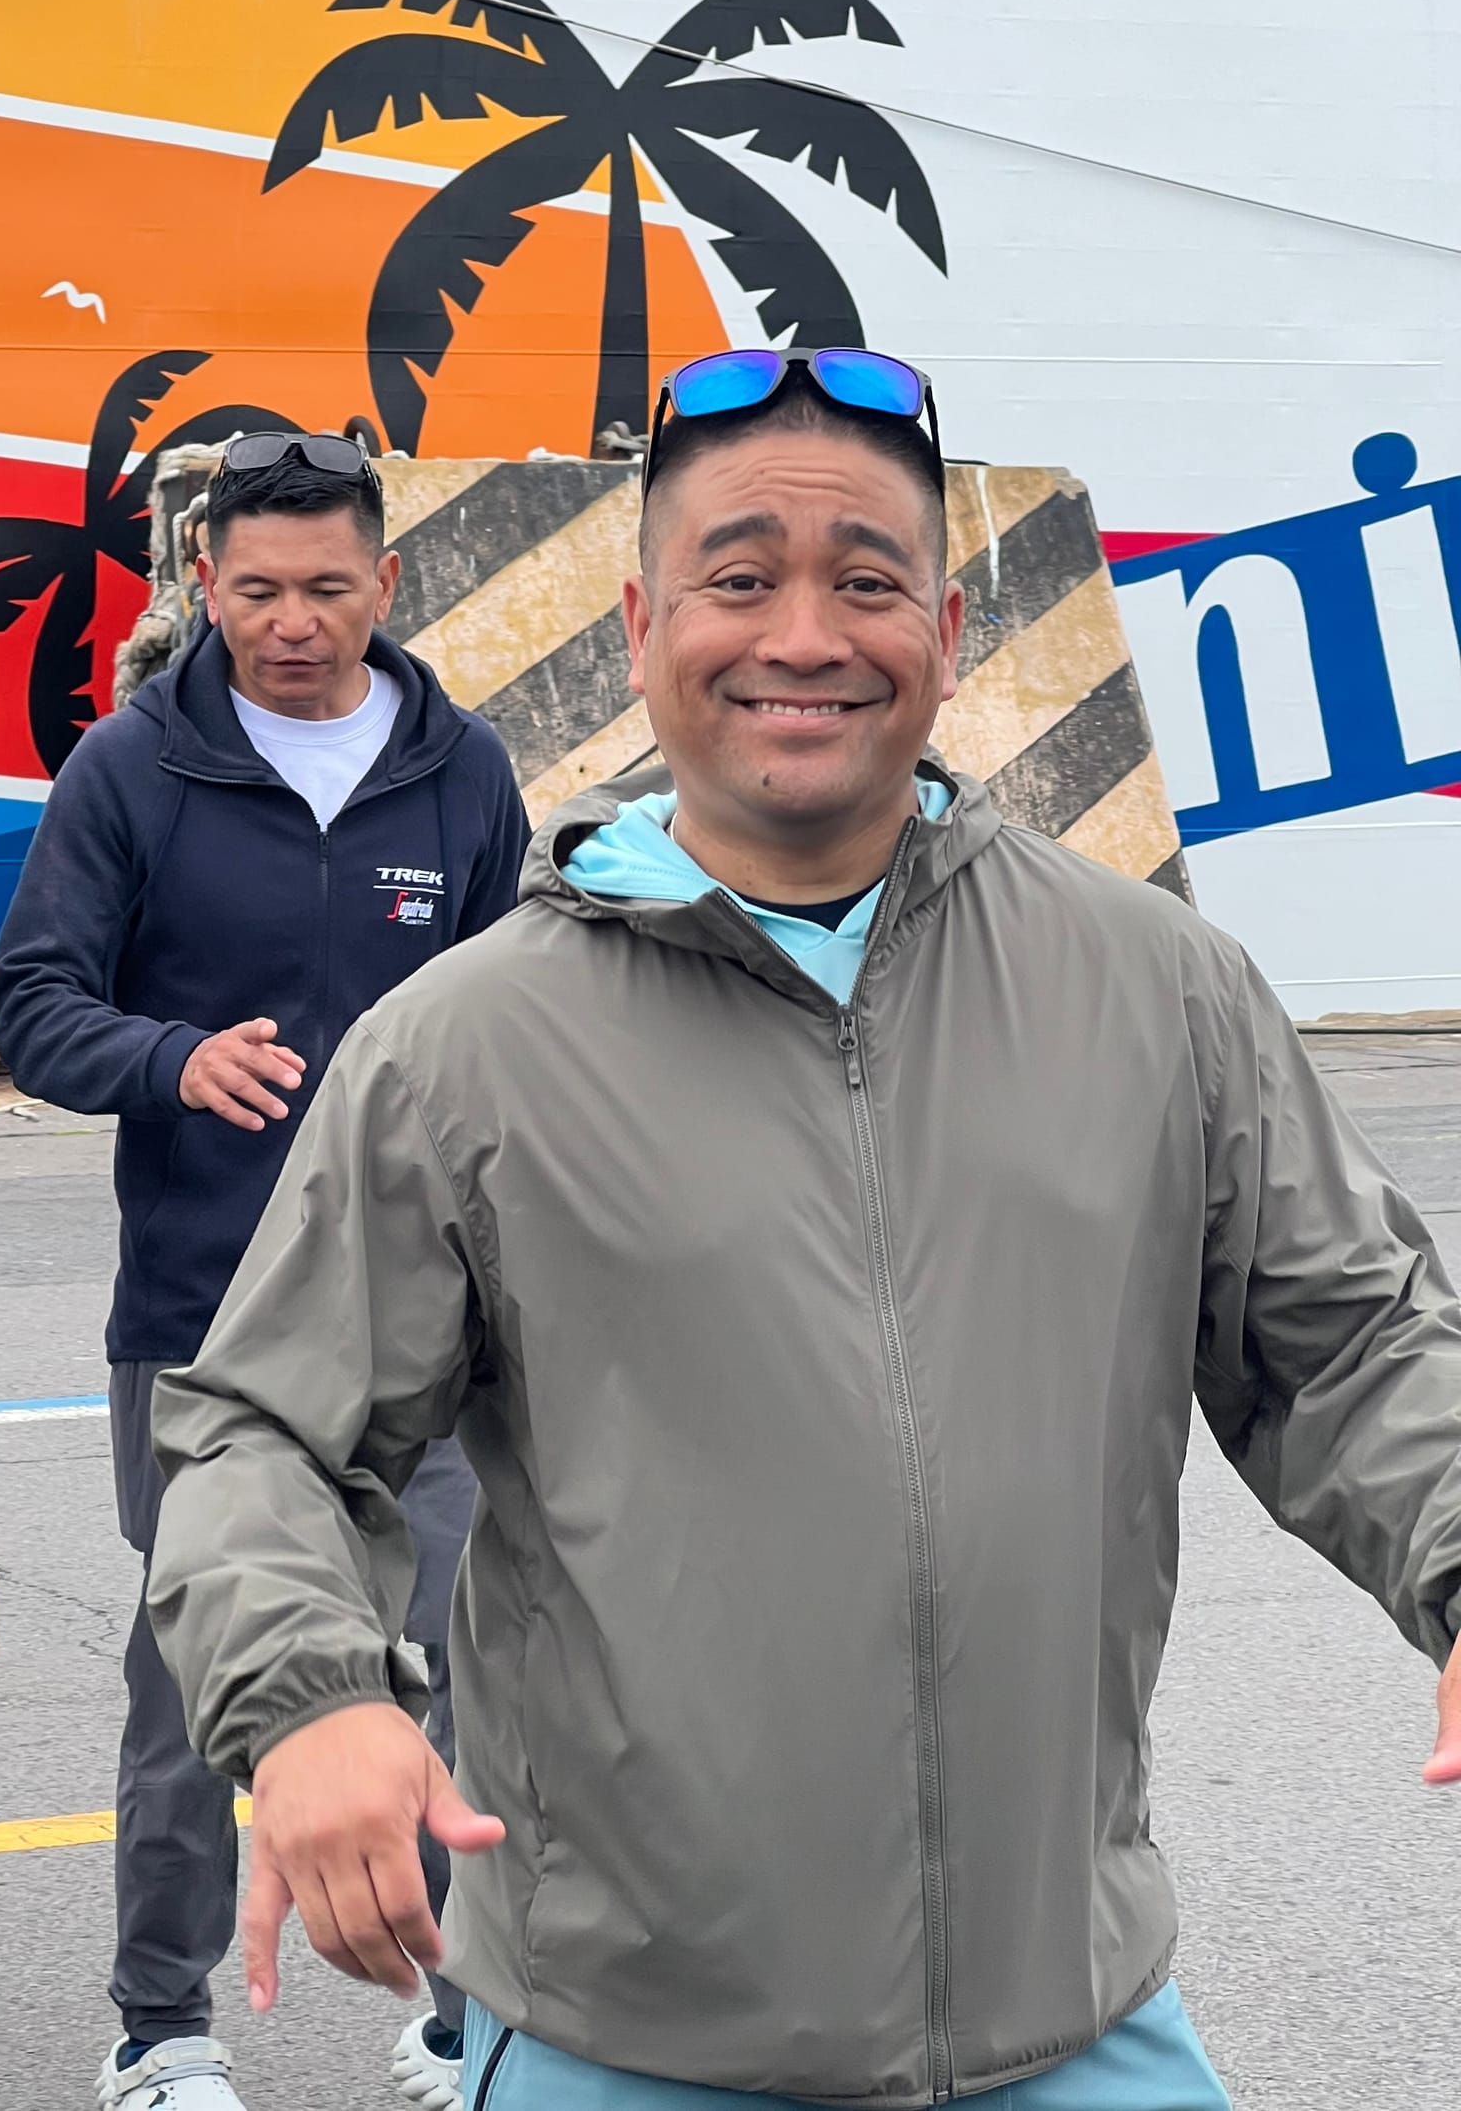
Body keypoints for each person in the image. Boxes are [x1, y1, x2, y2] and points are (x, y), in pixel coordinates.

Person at [145, 347, 1461, 2111]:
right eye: (741, 578)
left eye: (867, 582)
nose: (805, 636)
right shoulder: (465, 1046)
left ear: (951, 627)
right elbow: (264, 1436)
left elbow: (1353, 1341)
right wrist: (309, 1696)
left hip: (1073, 2019)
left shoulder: (1157, 988)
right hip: (630, 2042)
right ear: (639, 628)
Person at [0, 431, 531, 2111]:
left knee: (450, 1667)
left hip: (428, 1322)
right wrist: (171, 1061)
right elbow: (34, 1006)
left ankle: (458, 2018)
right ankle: (160, 2028)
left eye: (327, 589)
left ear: (388, 581)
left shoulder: (463, 772)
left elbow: (526, 1018)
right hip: (202, 1320)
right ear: (203, 584)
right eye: (257, 591)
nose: (292, 623)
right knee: (193, 1689)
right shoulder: (130, 768)